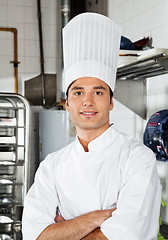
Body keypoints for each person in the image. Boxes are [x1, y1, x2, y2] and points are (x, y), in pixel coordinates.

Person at [22, 13, 162, 240]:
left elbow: (127, 235)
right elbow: (33, 235)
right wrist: (96, 218)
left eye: (98, 91)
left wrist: (65, 229)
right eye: (78, 92)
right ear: (67, 104)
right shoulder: (52, 165)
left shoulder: (137, 158)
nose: (87, 101)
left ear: (110, 101)